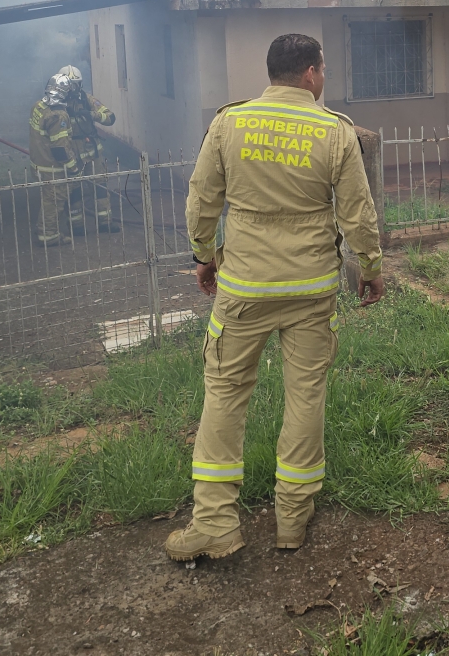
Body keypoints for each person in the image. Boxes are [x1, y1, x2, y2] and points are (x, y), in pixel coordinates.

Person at [166, 33, 384, 562]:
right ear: (311, 73)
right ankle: (293, 518)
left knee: (224, 395)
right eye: (323, 70)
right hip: (311, 288)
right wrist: (371, 267)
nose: (324, 77)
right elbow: (357, 211)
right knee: (305, 395)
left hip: (243, 287)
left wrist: (203, 255)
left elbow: (202, 198)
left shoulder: (229, 122)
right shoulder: (335, 131)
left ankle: (215, 524)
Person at [57, 65, 117, 232]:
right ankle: (76, 227)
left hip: (93, 152)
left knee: (100, 186)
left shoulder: (86, 99)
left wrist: (92, 114)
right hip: (72, 153)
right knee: (74, 189)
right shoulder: (57, 105)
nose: (73, 89)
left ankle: (105, 223)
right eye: (70, 85)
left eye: (76, 84)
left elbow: (110, 117)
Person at [29, 71, 80, 247]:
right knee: (54, 201)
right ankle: (49, 235)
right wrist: (74, 169)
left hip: (38, 164)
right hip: (52, 168)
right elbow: (60, 149)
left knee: (46, 199)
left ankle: (43, 227)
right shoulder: (59, 116)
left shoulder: (38, 106)